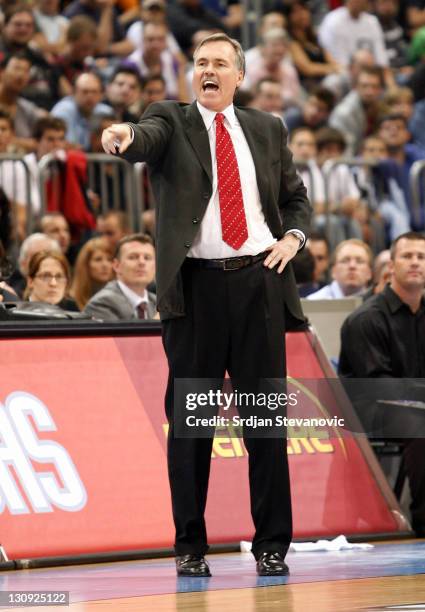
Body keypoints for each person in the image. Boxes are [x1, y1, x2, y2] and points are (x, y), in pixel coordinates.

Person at [101, 32, 311, 577]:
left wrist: (293, 239)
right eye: (200, 63)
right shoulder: (170, 119)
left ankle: (271, 545)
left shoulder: (268, 128)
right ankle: (190, 546)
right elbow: (143, 137)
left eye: (220, 63)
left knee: (265, 424)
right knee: (192, 427)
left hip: (260, 284)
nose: (208, 71)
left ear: (240, 76)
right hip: (195, 291)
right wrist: (124, 134)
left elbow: (295, 199)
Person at [339, 232, 425, 535]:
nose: (415, 262)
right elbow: (378, 386)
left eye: (421, 257)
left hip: (415, 407)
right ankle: (423, 518)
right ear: (391, 265)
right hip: (368, 411)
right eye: (407, 256)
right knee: (418, 422)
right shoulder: (366, 319)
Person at [84, 233, 156, 320]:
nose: (142, 262)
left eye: (147, 258)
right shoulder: (101, 303)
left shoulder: (159, 304)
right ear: (116, 266)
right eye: (133, 257)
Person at [308, 238, 373, 299]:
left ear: (369, 272)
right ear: (333, 271)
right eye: (345, 261)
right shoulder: (313, 302)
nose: (352, 266)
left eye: (359, 261)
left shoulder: (378, 303)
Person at [71, 236, 114, 309]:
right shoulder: (71, 302)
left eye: (109, 259)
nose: (105, 265)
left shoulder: (120, 298)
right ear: (85, 265)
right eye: (98, 259)